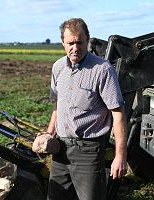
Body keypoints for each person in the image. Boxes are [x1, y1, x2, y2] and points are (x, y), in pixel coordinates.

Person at [45, 18, 127, 200]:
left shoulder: (102, 70)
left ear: (87, 40)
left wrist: (120, 156)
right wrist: (49, 133)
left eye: (79, 42)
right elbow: (57, 104)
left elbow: (118, 114)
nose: (75, 47)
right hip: (60, 149)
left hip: (88, 152)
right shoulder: (58, 67)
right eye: (70, 43)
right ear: (62, 43)